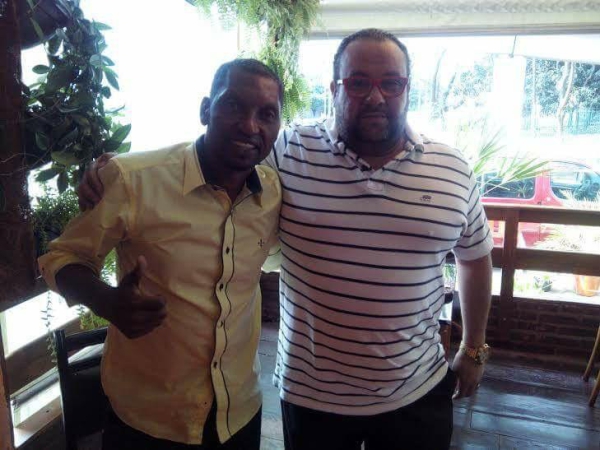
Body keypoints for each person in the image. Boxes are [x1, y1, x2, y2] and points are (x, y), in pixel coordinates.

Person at [79, 29, 493, 450]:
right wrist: (114, 170)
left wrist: (474, 348)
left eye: (391, 83)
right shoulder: (288, 150)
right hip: (312, 397)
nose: (375, 96)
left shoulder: (452, 169)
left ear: (408, 88)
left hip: (417, 389)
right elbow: (217, 149)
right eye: (357, 82)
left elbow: (475, 257)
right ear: (334, 89)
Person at [39, 58, 284, 450]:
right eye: (233, 105)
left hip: (238, 415)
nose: (250, 125)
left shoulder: (272, 193)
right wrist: (105, 300)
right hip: (148, 423)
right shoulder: (133, 181)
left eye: (266, 114)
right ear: (205, 109)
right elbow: (61, 257)